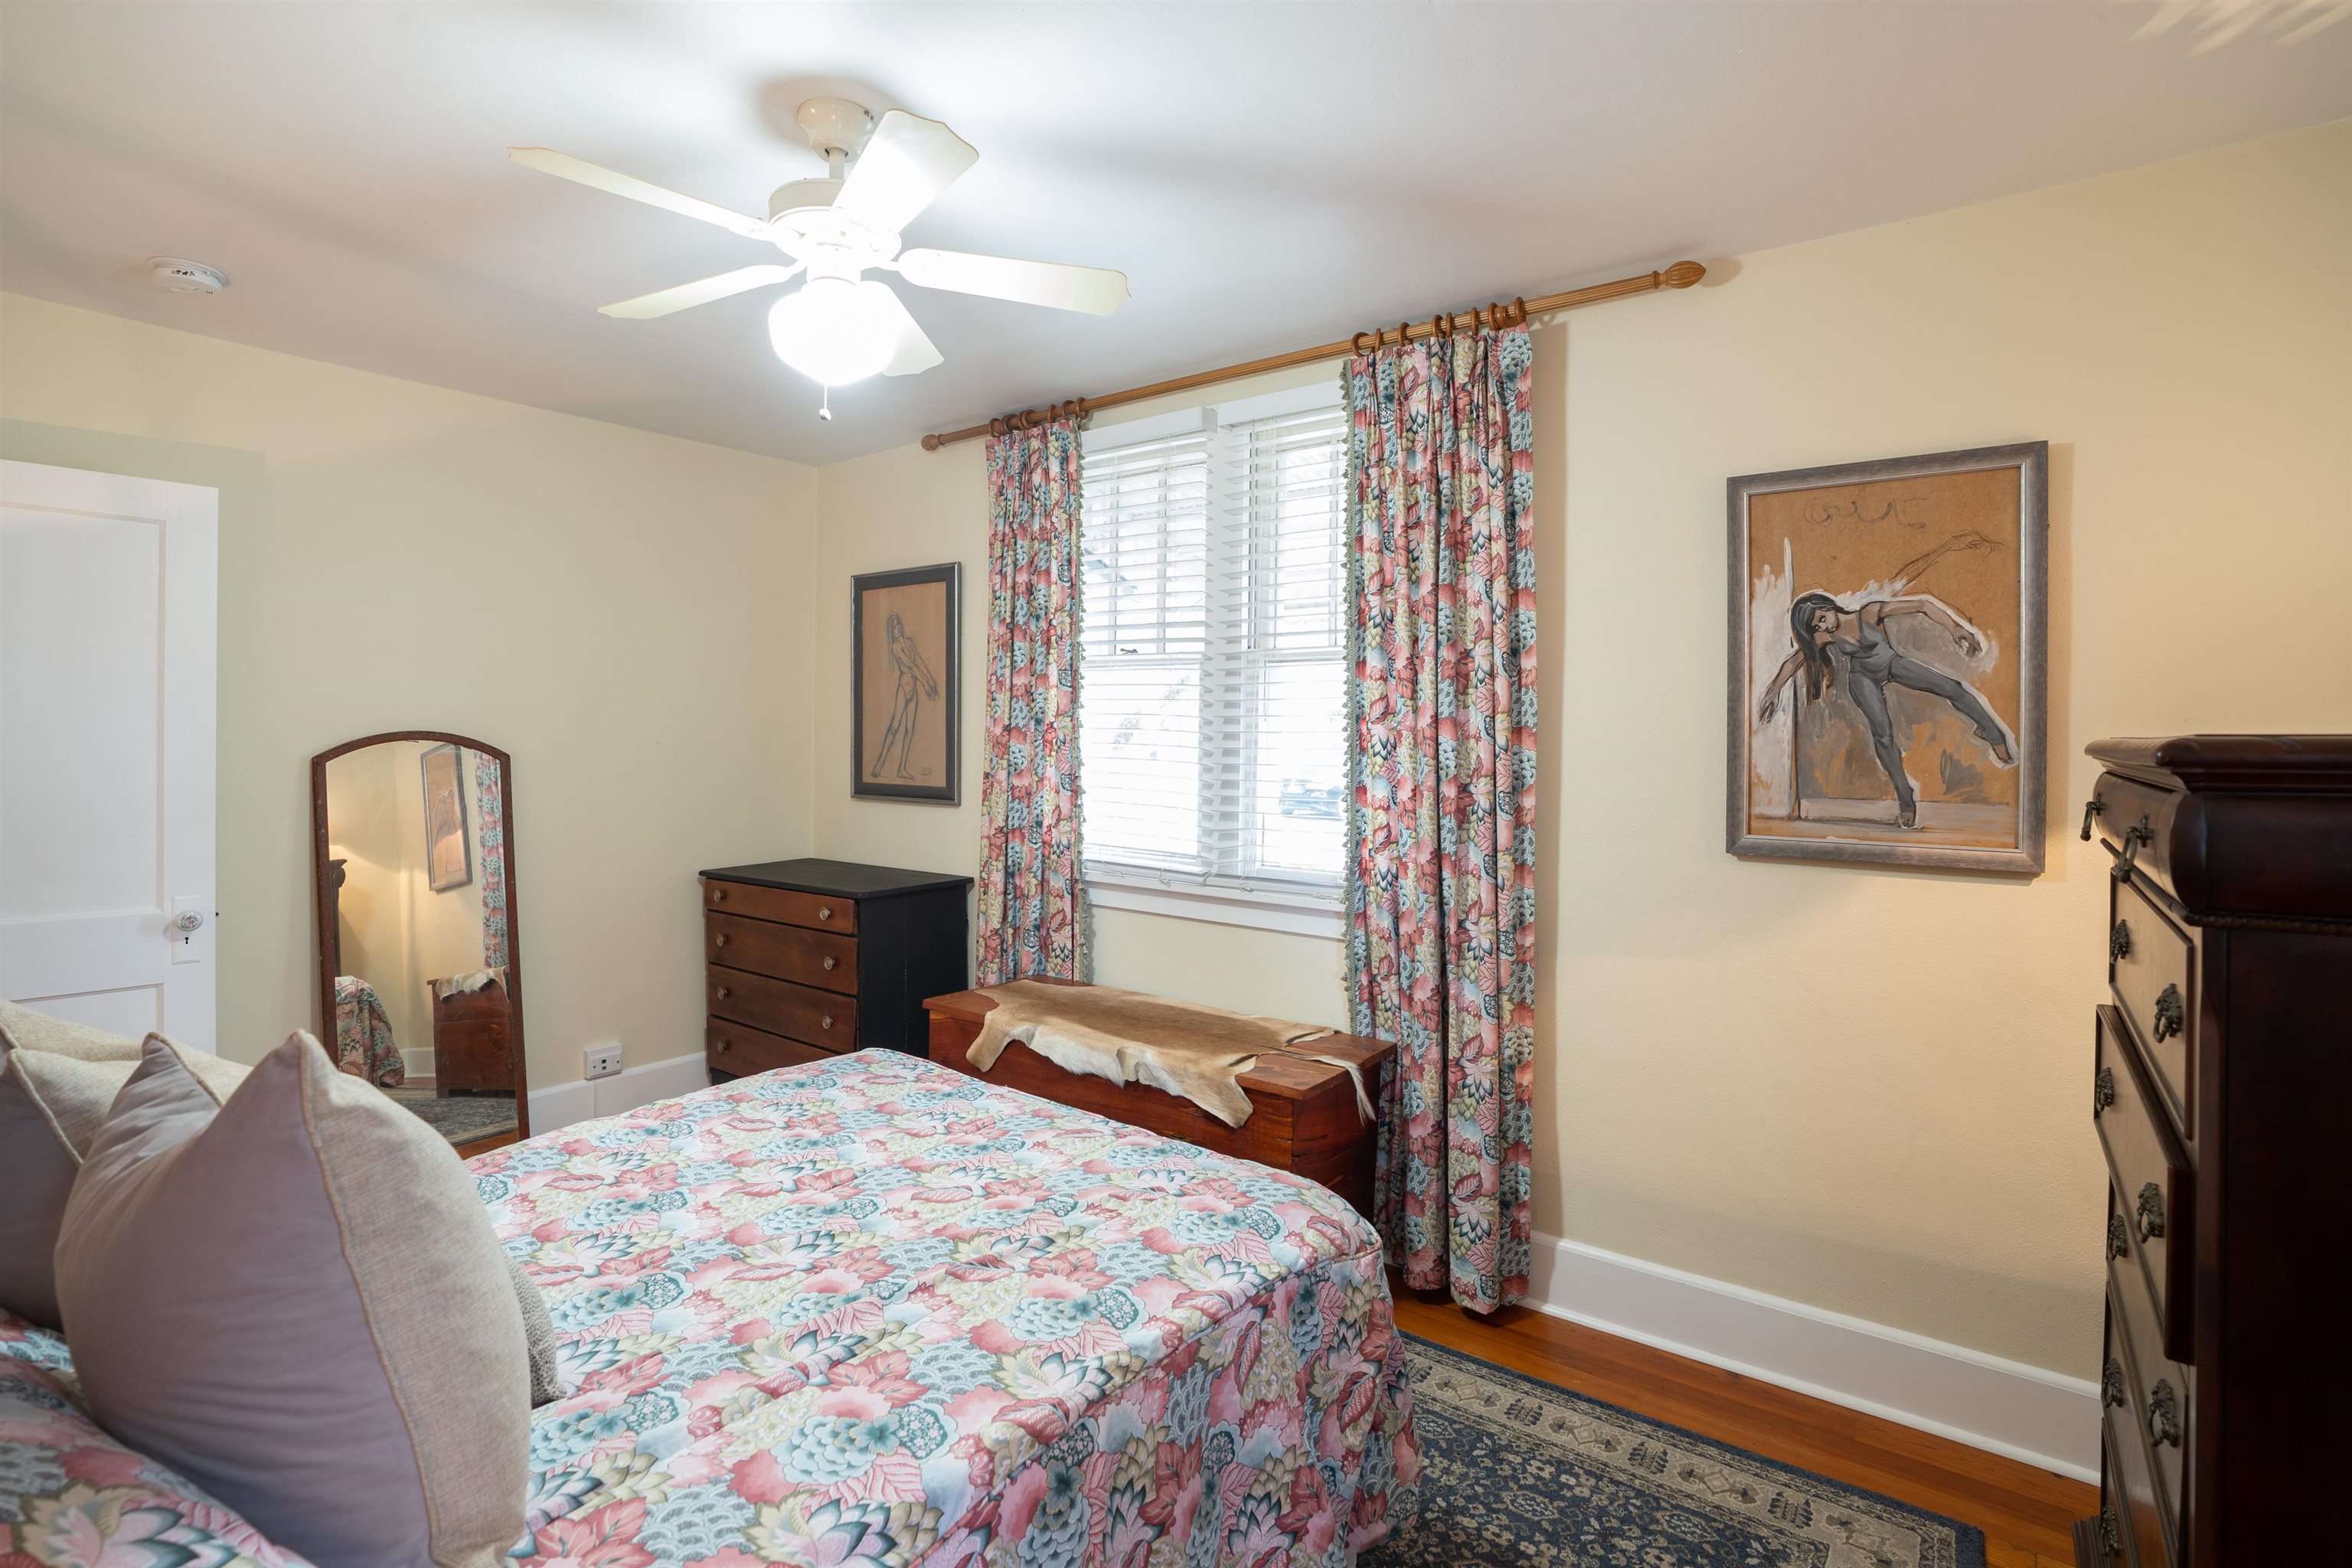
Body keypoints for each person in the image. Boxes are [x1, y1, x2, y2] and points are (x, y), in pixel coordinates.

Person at [1757, 592, 2011, 828]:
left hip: (1892, 664)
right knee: (1883, 736)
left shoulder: (1869, 612)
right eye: (1817, 627)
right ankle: (1905, 797)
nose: (1822, 628)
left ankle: (1993, 734)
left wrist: (1955, 628)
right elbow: (1795, 661)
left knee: (1952, 688)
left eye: (1822, 619)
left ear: (1829, 607)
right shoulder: (1825, 637)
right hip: (1862, 679)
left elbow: (1922, 604)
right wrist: (1773, 691)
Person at [873, 612, 939, 779]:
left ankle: (901, 768)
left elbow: (919, 661)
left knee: (909, 730)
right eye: (893, 627)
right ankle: (880, 764)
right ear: (891, 632)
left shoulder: (909, 642)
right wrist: (925, 683)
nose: (897, 628)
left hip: (913, 688)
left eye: (898, 625)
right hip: (904, 687)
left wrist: (930, 680)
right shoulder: (895, 647)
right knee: (894, 727)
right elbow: (910, 666)